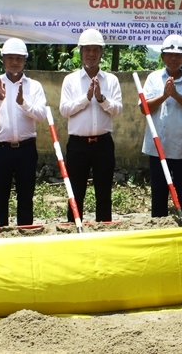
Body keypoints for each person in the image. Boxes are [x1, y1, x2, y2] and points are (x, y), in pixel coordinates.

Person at [0, 38, 46, 227]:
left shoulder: (34, 86)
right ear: (3, 59)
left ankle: (25, 232)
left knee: (26, 195)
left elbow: (41, 115)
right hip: (1, 149)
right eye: (10, 58)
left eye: (19, 58)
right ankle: (0, 233)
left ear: (25, 60)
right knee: (0, 195)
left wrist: (24, 103)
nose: (15, 62)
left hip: (26, 149)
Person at [59, 28, 123, 222]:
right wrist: (86, 99)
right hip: (78, 145)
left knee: (104, 191)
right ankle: (74, 228)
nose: (91, 54)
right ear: (81, 52)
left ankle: (104, 227)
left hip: (103, 144)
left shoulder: (111, 80)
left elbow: (118, 109)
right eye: (87, 50)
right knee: (75, 192)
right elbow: (64, 110)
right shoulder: (70, 80)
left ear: (102, 53)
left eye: (96, 50)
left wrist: (102, 99)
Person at [140, 34, 182, 217]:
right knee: (158, 195)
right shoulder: (153, 79)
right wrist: (164, 96)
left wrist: (175, 95)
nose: (173, 58)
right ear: (162, 57)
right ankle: (159, 229)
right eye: (169, 54)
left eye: (178, 55)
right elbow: (144, 109)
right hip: (158, 147)